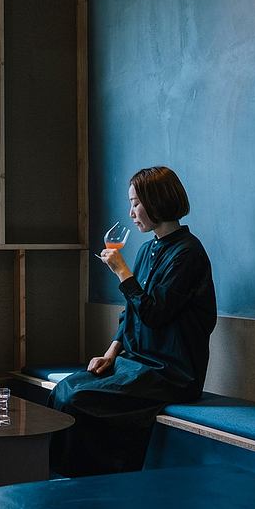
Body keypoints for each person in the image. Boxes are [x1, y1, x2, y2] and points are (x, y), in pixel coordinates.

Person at [50, 166, 217, 476]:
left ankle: (96, 482)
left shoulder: (187, 254)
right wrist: (111, 353)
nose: (131, 212)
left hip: (171, 372)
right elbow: (131, 311)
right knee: (65, 389)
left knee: (80, 400)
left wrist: (121, 271)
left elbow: (154, 314)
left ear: (159, 201)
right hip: (136, 364)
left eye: (136, 203)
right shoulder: (146, 250)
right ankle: (59, 479)